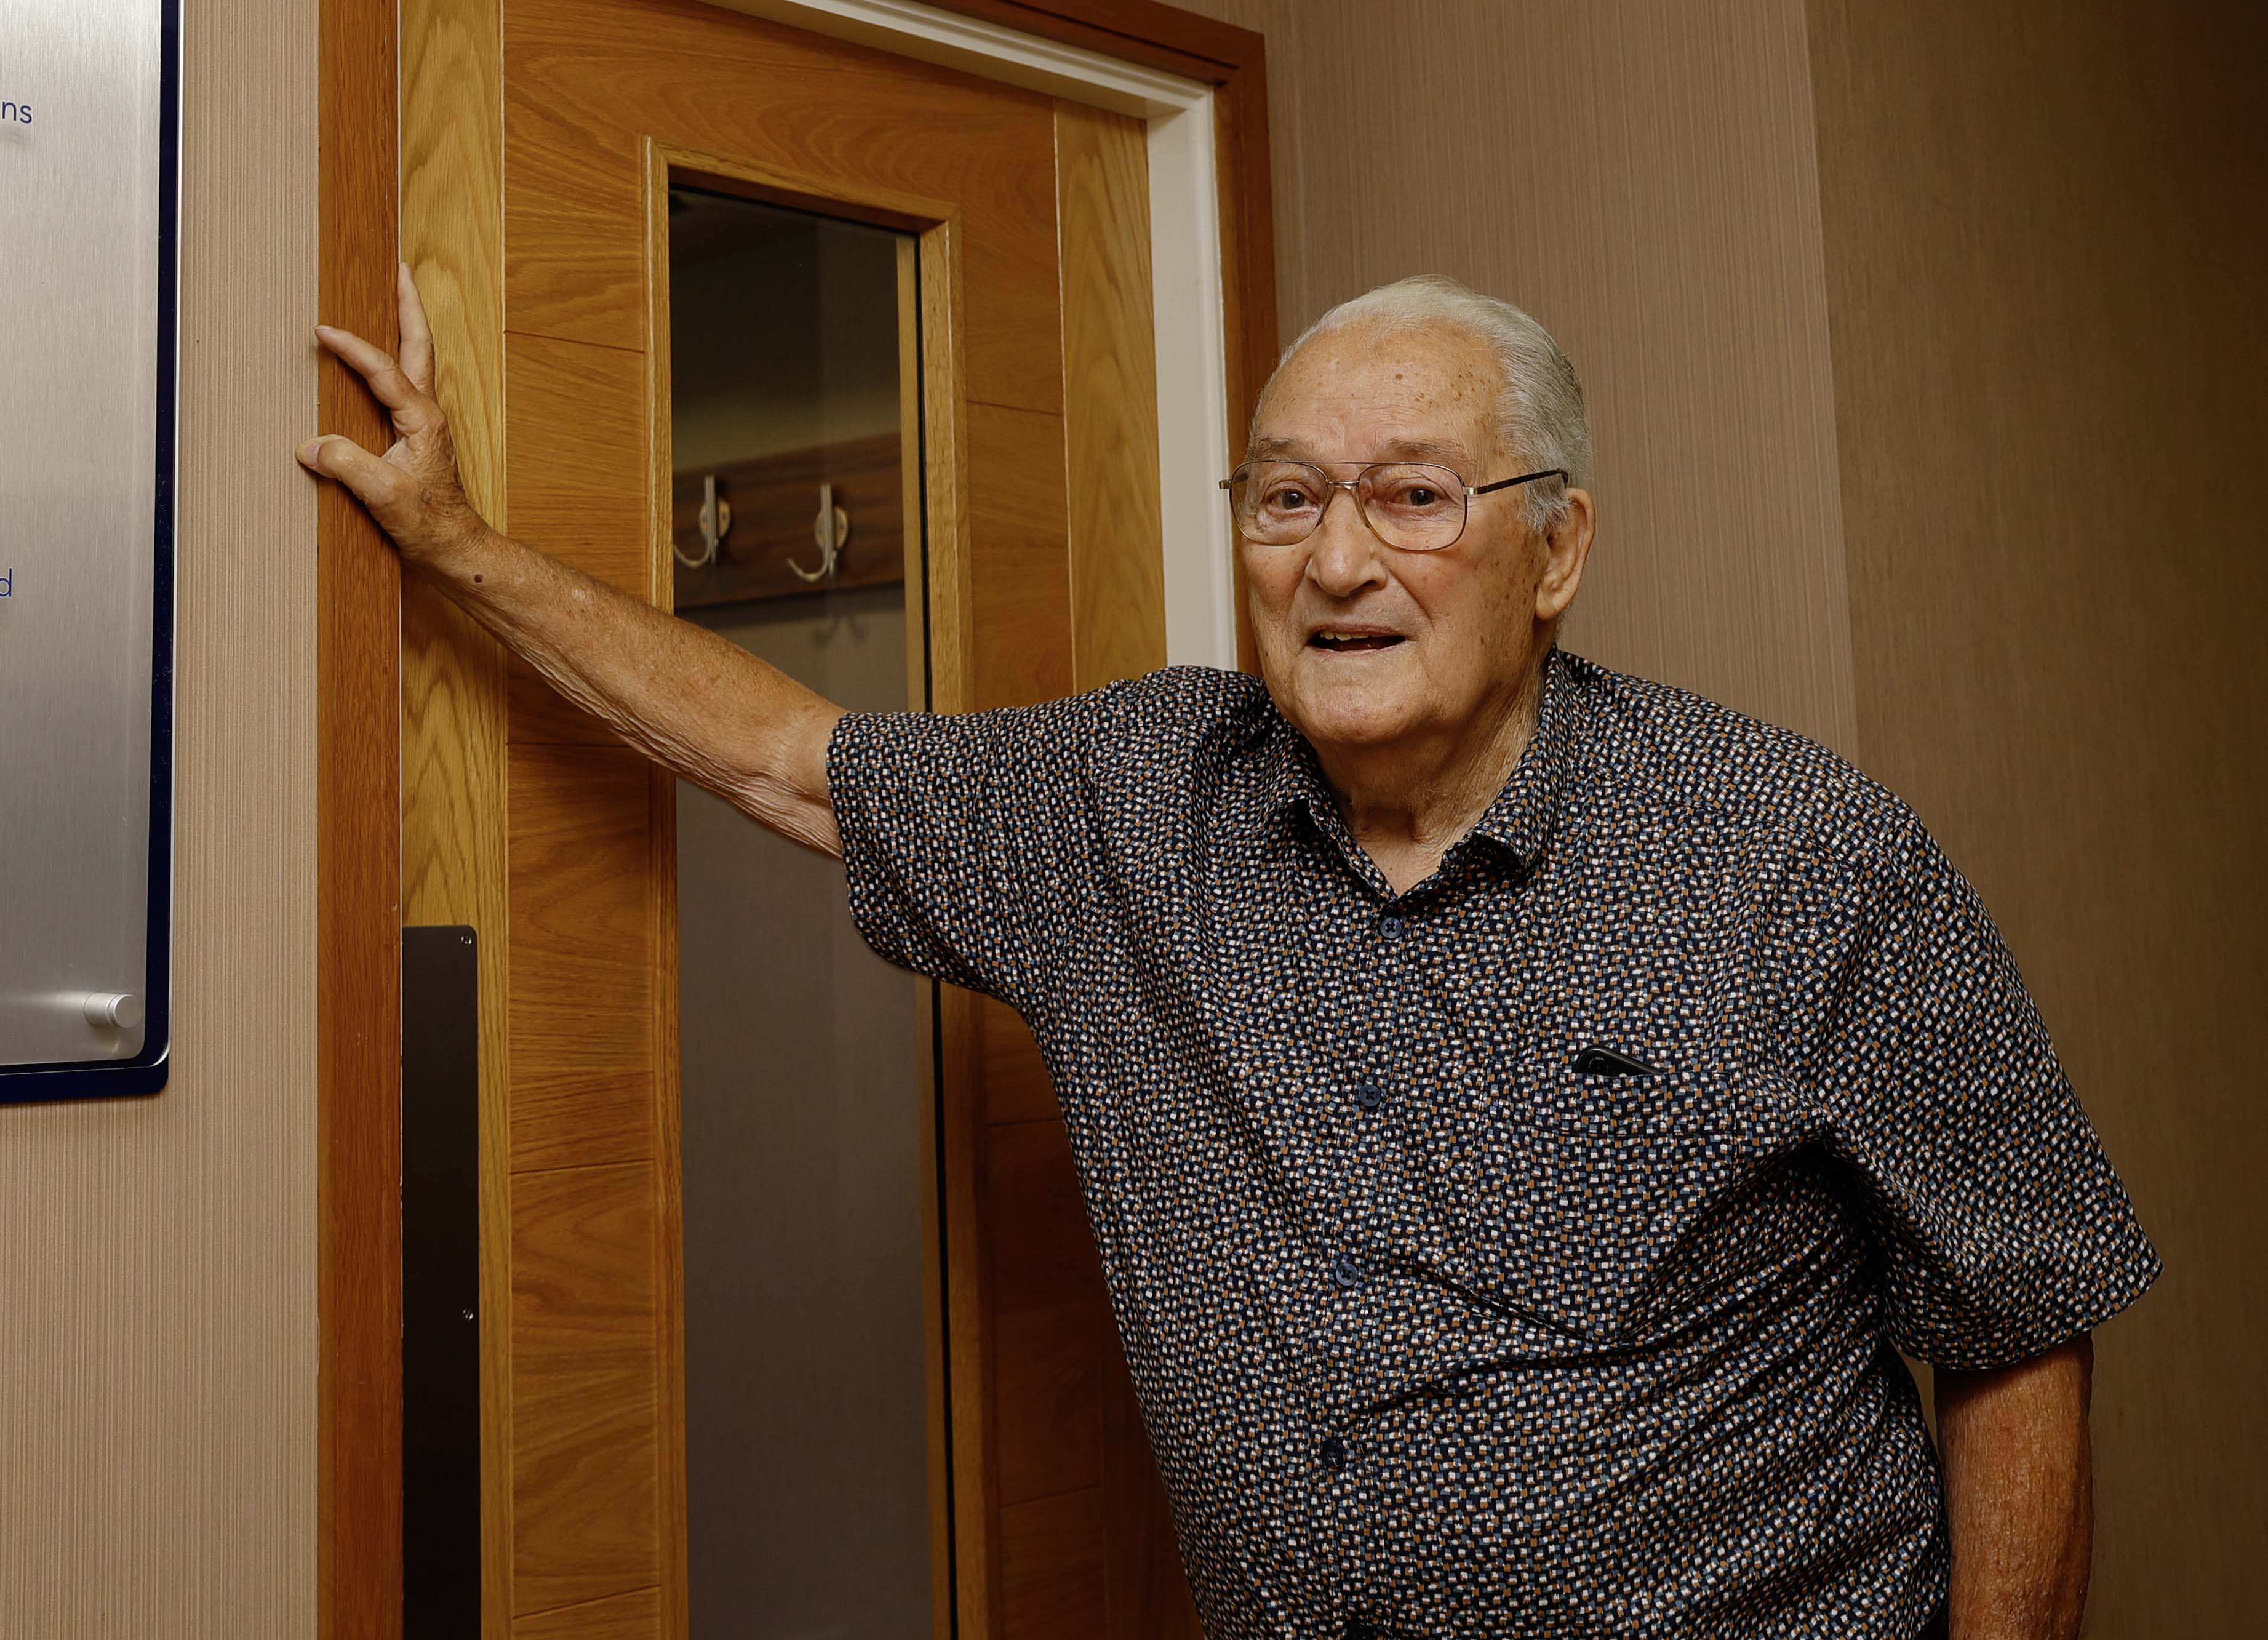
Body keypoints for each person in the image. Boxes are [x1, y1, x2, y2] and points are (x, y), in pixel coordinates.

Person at [303, 268, 2154, 1640]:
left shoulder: (1801, 861)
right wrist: (459, 548)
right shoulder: (1130, 804)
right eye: (1286, 500)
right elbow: (791, 761)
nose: (1338, 559)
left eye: (1417, 497)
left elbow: (2016, 1321)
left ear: (1559, 547)